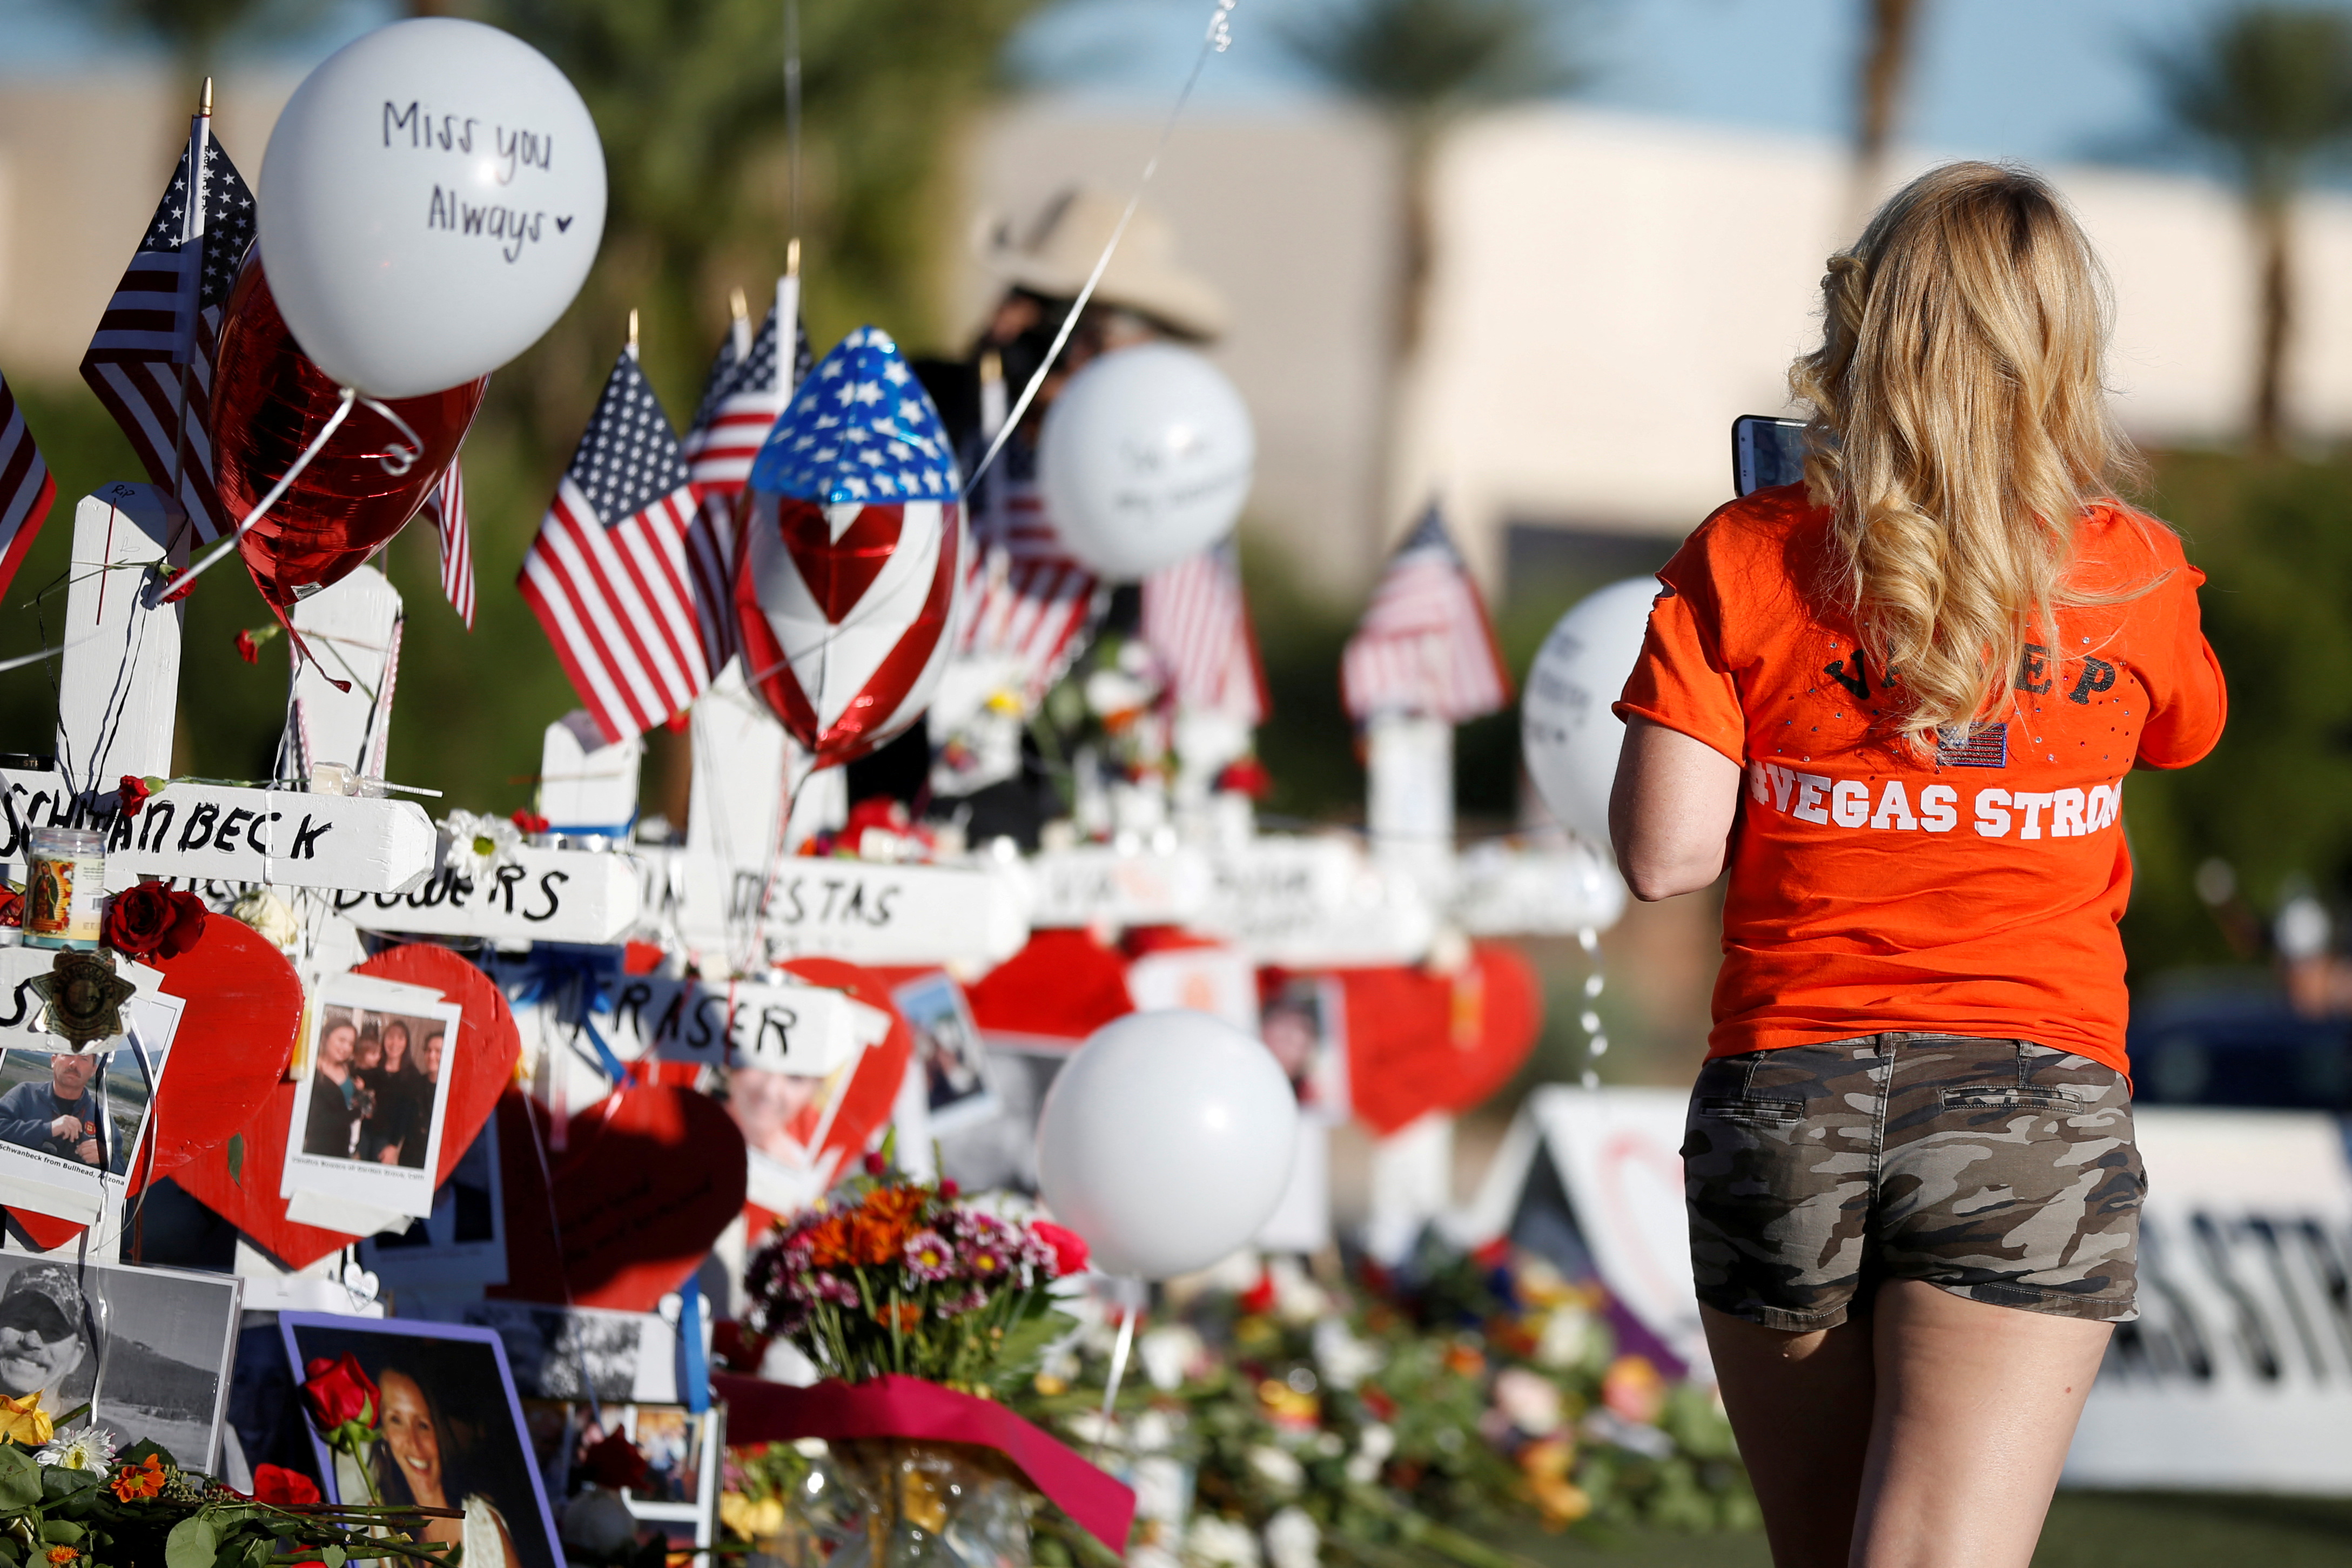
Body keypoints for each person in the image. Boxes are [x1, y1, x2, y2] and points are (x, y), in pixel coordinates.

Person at [1608, 162, 2227, 1568]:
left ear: (1864, 328)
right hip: (2028, 1101)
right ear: (2061, 351)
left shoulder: (1743, 552)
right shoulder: (2134, 570)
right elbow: (2183, 728)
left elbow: (1663, 855)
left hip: (1786, 1096)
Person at [372, 1367, 525, 1568]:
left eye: (423, 1424)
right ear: (383, 1432)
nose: (414, 1443)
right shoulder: (382, 1522)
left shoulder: (485, 1525)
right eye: (396, 1420)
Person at [0, 1264, 90, 1411]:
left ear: (76, 1357)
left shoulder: (95, 1432)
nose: (31, 1341)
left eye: (53, 1330)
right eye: (20, 1320)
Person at [0, 1053, 103, 1167]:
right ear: (54, 1061)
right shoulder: (25, 1094)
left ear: (94, 1070)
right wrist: (47, 1129)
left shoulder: (102, 1119)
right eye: (68, 1055)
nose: (74, 1064)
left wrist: (106, 1158)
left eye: (84, 1059)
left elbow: (123, 1173)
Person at [303, 1018, 362, 1161]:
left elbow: (344, 1100)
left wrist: (360, 1097)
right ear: (326, 1037)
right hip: (320, 1149)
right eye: (342, 1040)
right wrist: (356, 1114)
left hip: (343, 1146)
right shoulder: (311, 1072)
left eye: (351, 1044)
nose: (347, 1048)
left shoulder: (347, 1067)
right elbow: (315, 1123)